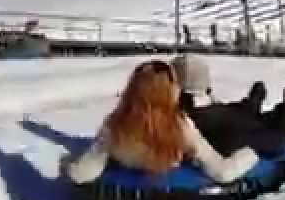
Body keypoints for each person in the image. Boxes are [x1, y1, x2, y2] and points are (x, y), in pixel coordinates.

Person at [63, 59, 258, 185]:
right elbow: (222, 172)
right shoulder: (180, 126)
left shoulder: (114, 125)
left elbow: (82, 173)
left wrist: (66, 164)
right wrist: (251, 154)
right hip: (170, 183)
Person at [172, 54, 285, 160]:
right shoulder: (184, 102)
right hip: (217, 135)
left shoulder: (190, 99)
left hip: (213, 120)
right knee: (250, 130)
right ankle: (283, 125)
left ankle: (255, 108)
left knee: (234, 115)